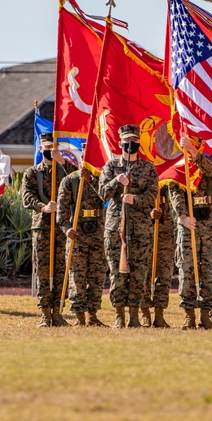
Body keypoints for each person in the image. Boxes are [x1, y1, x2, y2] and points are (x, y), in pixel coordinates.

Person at [98, 124, 159, 328]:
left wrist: (137, 200)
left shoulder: (148, 168)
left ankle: (134, 316)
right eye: (126, 141)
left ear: (139, 143)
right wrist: (116, 181)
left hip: (141, 227)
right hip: (116, 227)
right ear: (120, 142)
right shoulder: (111, 166)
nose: (130, 144)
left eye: (134, 141)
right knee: (117, 272)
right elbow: (102, 193)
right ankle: (119, 315)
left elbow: (152, 195)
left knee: (139, 272)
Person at [167, 135, 212, 330]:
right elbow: (174, 192)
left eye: (196, 139)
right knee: (187, 269)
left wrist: (194, 152)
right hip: (189, 224)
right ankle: (189, 315)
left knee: (211, 270)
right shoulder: (179, 167)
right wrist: (182, 216)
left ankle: (206, 314)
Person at [21, 132, 76, 327]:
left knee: (61, 270)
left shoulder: (64, 171)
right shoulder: (32, 173)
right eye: (45, 147)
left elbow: (79, 180)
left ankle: (57, 312)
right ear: (40, 148)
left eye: (52, 148)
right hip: (42, 227)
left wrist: (62, 161)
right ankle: (45, 314)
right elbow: (26, 197)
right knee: (44, 271)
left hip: (62, 227)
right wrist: (42, 206)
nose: (49, 151)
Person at [57, 166, 107, 327]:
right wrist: (66, 229)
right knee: (77, 275)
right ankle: (79, 316)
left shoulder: (102, 178)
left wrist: (92, 180)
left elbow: (107, 196)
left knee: (97, 276)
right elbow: (62, 210)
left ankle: (93, 315)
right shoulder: (70, 181)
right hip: (77, 234)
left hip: (98, 233)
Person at [143, 190, 175, 328]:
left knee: (164, 274)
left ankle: (159, 315)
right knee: (144, 272)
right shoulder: (139, 170)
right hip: (143, 228)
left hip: (165, 229)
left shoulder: (166, 170)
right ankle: (144, 312)